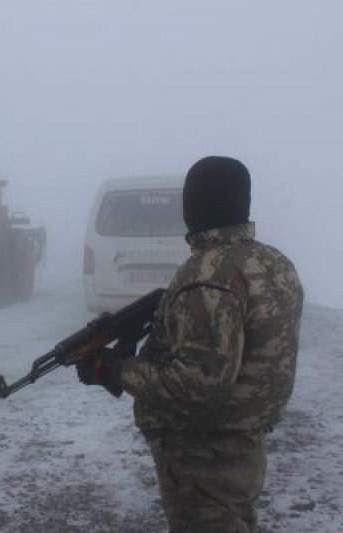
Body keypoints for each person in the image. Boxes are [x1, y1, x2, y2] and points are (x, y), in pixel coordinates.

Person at [75, 156, 304, 532]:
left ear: (194, 205)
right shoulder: (273, 262)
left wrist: (117, 370)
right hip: (244, 443)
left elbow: (200, 383)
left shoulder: (208, 273)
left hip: (204, 454)